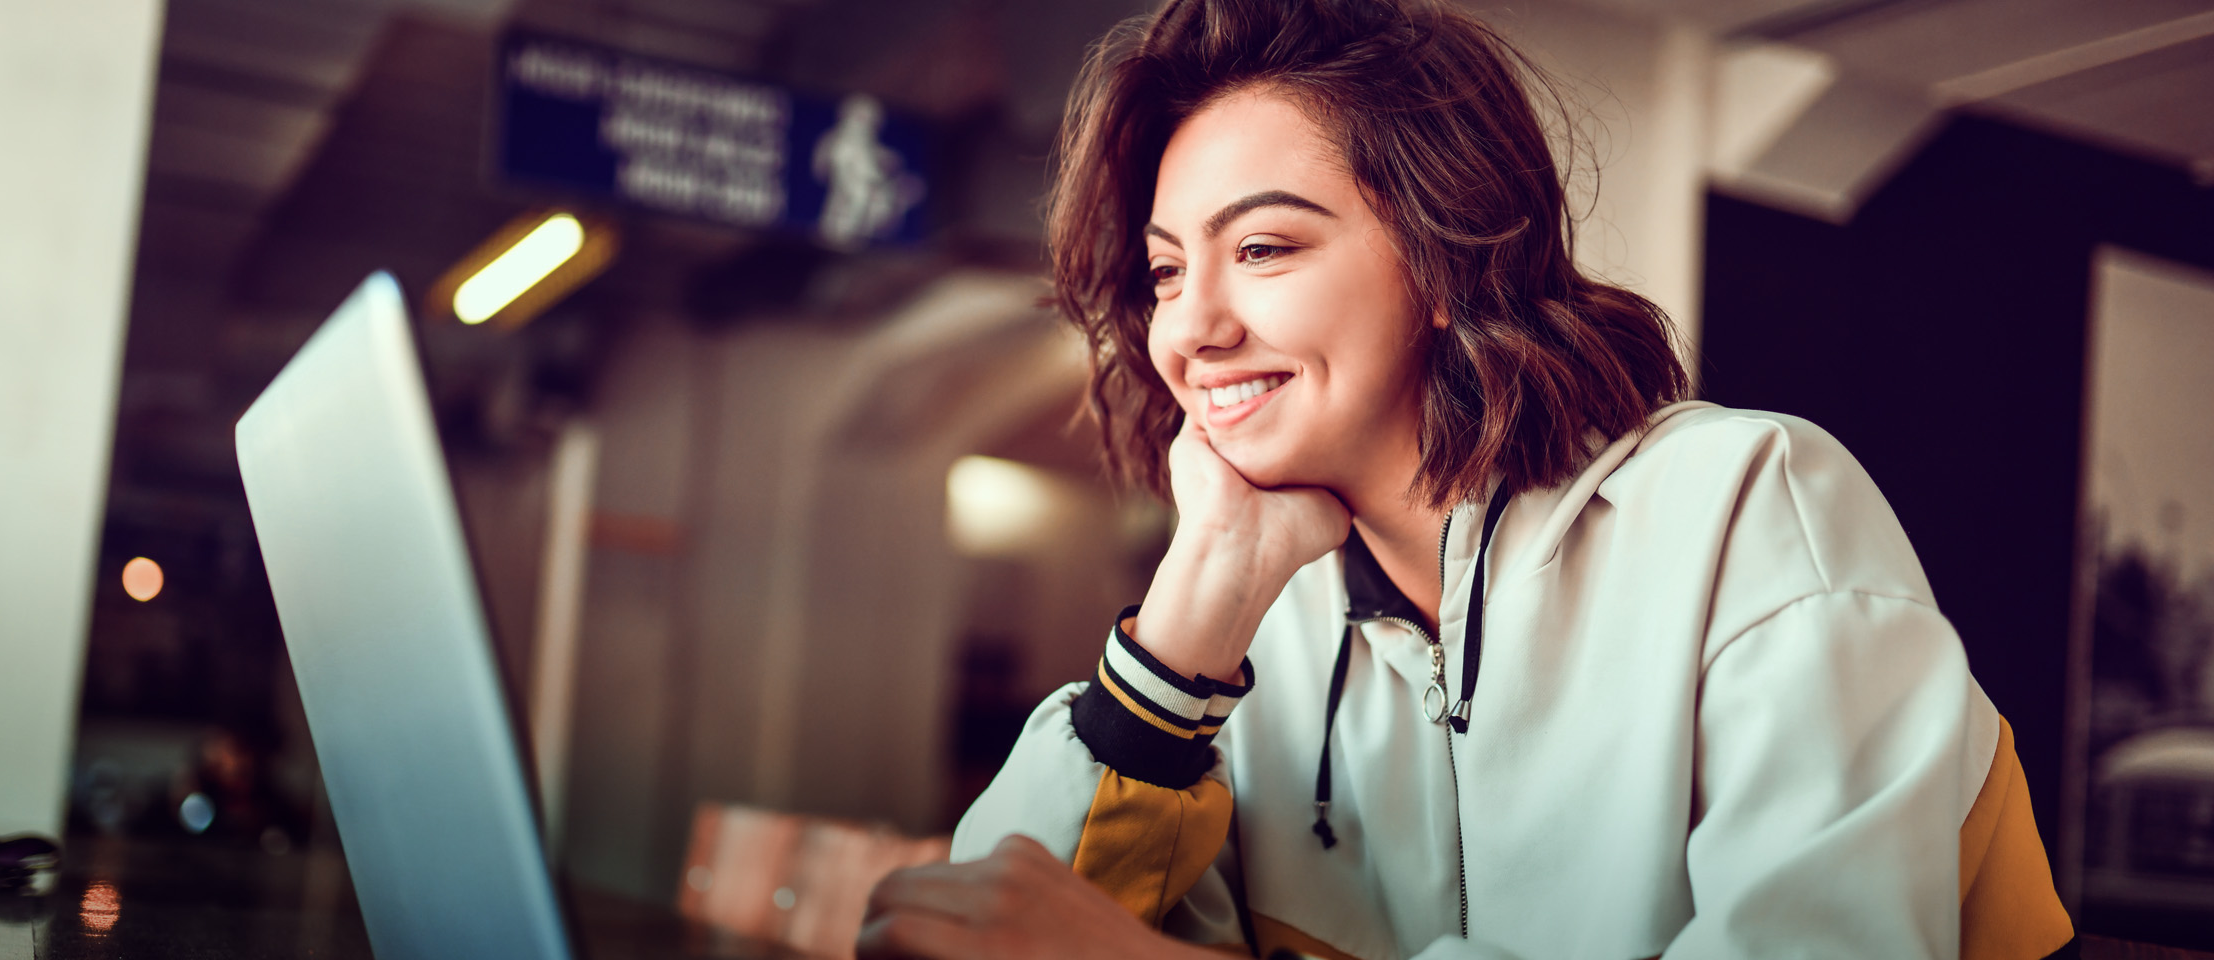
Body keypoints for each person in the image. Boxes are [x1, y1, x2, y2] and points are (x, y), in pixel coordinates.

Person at [857, 1, 2072, 958]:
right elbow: (977, 922)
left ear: (1446, 258)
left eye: (1265, 247)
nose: (1190, 328)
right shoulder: (1258, 618)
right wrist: (1199, 600)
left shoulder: (1752, 507)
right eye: (1169, 272)